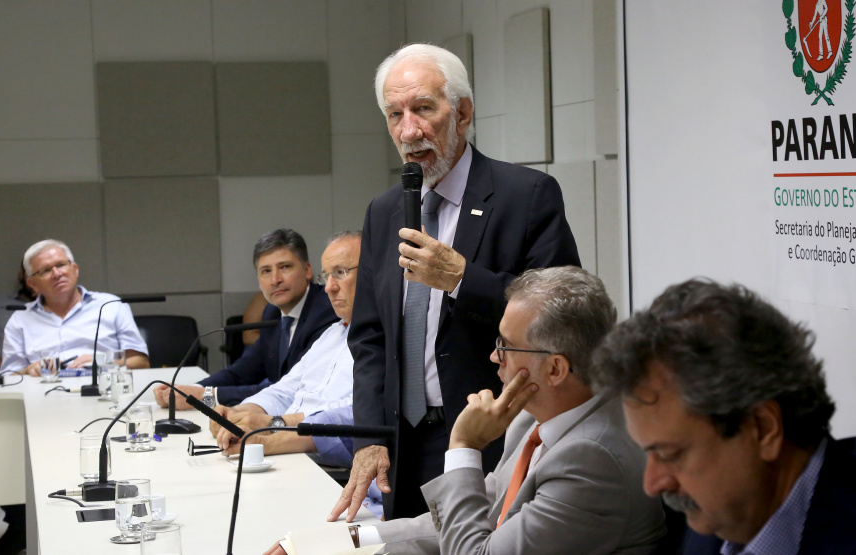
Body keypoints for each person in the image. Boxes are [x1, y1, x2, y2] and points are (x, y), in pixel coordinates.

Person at [332, 43, 581, 522]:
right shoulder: (384, 211)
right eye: (395, 114)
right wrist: (371, 437)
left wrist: (462, 279)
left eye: (424, 109)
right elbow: (368, 338)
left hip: (490, 438)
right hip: (401, 447)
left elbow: (563, 317)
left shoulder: (526, 196)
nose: (410, 131)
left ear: (463, 112)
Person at [267, 267, 663, 555]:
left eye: (506, 346)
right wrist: (338, 544)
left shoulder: (593, 459)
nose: (495, 356)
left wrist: (463, 446)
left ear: (556, 368)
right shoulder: (532, 417)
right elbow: (461, 518)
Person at [592, 278, 856, 555]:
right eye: (649, 454)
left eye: (671, 454)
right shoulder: (717, 525)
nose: (652, 484)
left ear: (763, 429)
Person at [211, 231, 361, 465]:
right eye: (327, 277)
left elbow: (350, 415)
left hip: (324, 465)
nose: (329, 287)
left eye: (340, 273)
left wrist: (270, 426)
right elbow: (284, 390)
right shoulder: (333, 333)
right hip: (289, 450)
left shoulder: (388, 339)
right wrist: (241, 413)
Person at [154, 228, 338, 407]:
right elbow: (241, 372)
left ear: (307, 270)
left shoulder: (326, 312)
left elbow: (288, 390)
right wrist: (188, 390)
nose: (275, 279)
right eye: (266, 271)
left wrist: (205, 396)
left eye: (285, 267)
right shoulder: (272, 312)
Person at [1, 239, 149, 375]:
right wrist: (28, 370)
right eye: (45, 270)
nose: (57, 273)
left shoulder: (111, 305)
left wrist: (104, 362)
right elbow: (9, 377)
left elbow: (141, 362)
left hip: (104, 391)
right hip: (44, 395)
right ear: (32, 283)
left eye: (61, 265)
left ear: (75, 269)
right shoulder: (20, 319)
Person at [0, 264, 36, 372]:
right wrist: (7, 367)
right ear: (21, 275)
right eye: (31, 274)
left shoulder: (58, 308)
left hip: (46, 371)